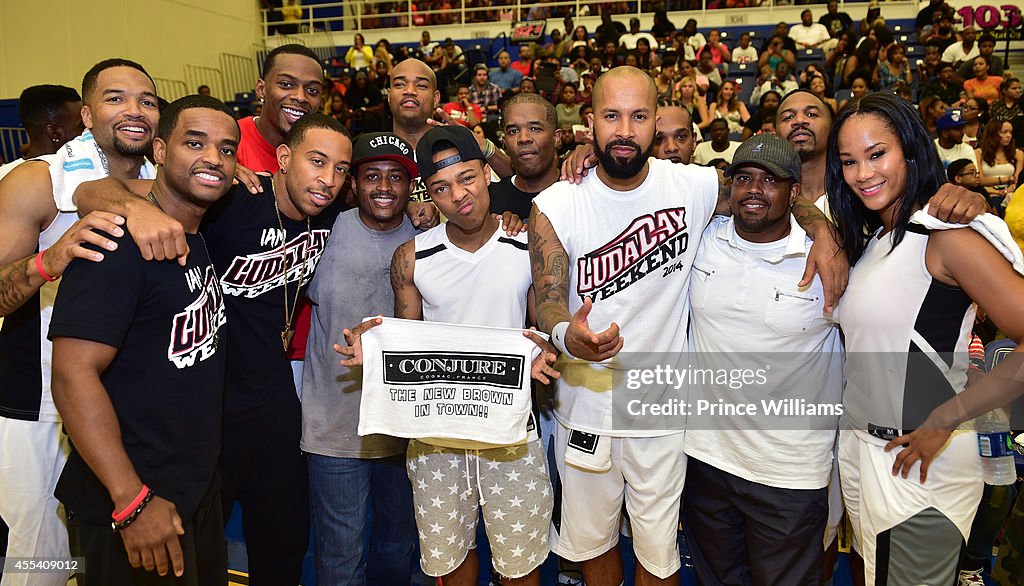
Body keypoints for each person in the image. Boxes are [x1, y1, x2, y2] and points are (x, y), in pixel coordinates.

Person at [536, 65, 845, 586]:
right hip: (585, 405)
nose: (625, 130)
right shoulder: (555, 202)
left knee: (661, 556)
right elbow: (547, 300)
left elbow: (768, 196)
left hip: (665, 414)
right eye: (612, 116)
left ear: (656, 122)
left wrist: (822, 229)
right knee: (593, 547)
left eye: (638, 116)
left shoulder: (697, 185)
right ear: (589, 122)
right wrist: (570, 336)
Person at [74, 113, 353, 586]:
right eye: (317, 162)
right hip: (209, 404)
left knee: (283, 536)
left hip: (271, 394)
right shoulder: (234, 199)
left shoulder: (327, 211)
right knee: (189, 547)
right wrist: (136, 210)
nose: (328, 179)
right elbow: (90, 192)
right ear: (284, 159)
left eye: (341, 169)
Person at [337, 124, 557, 586]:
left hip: (510, 432)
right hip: (437, 435)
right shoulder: (412, 256)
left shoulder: (525, 244)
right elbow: (407, 337)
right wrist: (373, 348)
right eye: (442, 187)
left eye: (468, 178)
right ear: (429, 194)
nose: (459, 195)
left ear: (486, 175)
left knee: (520, 567)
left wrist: (546, 351)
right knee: (449, 562)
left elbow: (543, 328)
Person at [825, 90, 1021, 586]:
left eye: (877, 154)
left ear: (910, 151)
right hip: (867, 453)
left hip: (919, 464)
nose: (862, 173)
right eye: (849, 161)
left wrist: (946, 418)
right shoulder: (875, 239)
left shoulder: (949, 236)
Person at [49, 94, 236, 586]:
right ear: (158, 150)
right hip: (132, 504)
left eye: (227, 148)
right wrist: (132, 500)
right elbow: (71, 374)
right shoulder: (116, 242)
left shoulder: (194, 235)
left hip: (191, 493)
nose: (213, 158)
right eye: (194, 143)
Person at [0, 59, 158, 586]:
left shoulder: (167, 186)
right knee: (39, 559)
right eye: (116, 98)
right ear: (86, 114)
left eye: (147, 100)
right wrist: (48, 262)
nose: (135, 110)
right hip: (35, 404)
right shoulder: (35, 181)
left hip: (125, 407)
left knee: (109, 558)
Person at [683, 132, 843, 586]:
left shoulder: (827, 260)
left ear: (795, 193)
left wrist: (823, 231)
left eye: (771, 181)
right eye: (744, 178)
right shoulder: (704, 237)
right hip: (706, 459)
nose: (754, 190)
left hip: (789, 472)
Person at [301, 132, 419, 585]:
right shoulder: (320, 232)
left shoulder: (431, 235)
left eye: (396, 177)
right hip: (334, 424)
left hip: (405, 427)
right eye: (372, 176)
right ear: (353, 182)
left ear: (412, 186)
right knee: (339, 556)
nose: (384, 187)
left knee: (398, 548)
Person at [0, 85, 84, 181]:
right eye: (82, 126)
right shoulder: (5, 179)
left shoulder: (86, 166)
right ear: (54, 133)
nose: (89, 131)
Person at [976, 119, 1023, 203]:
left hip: (1009, 195)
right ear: (993, 134)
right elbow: (980, 180)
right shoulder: (978, 153)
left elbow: (1017, 181)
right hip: (986, 194)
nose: (1009, 136)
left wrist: (1010, 187)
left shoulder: (1018, 154)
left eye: (1010, 132)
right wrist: (1008, 179)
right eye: (1004, 132)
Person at [653, 100, 696, 165]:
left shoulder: (710, 174)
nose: (671, 148)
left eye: (681, 137)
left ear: (694, 141)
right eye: (659, 139)